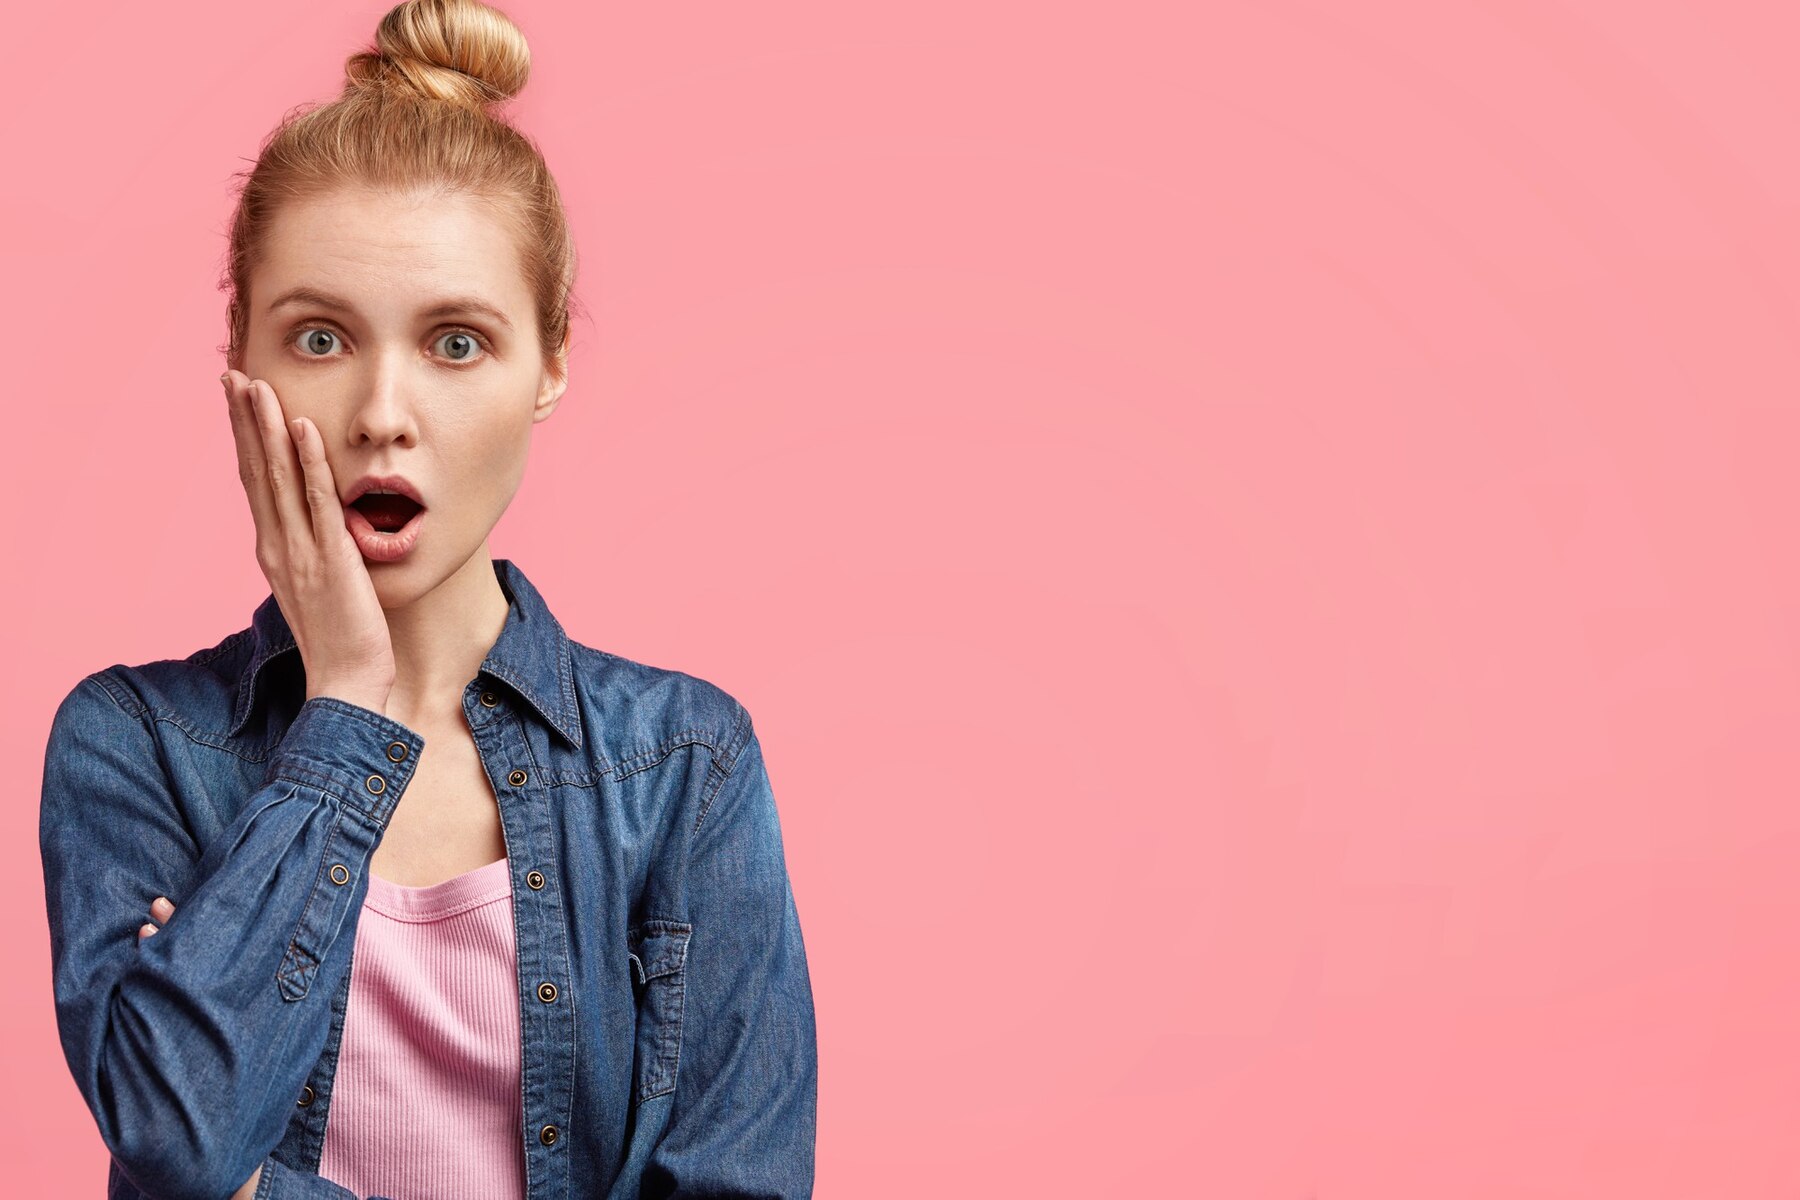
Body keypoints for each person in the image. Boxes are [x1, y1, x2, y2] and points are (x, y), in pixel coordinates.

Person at [36, 2, 818, 1197]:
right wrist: (350, 702)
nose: (381, 414)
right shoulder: (135, 742)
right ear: (237, 351)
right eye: (319, 338)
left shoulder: (684, 766)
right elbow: (180, 1144)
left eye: (457, 343)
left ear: (550, 363)